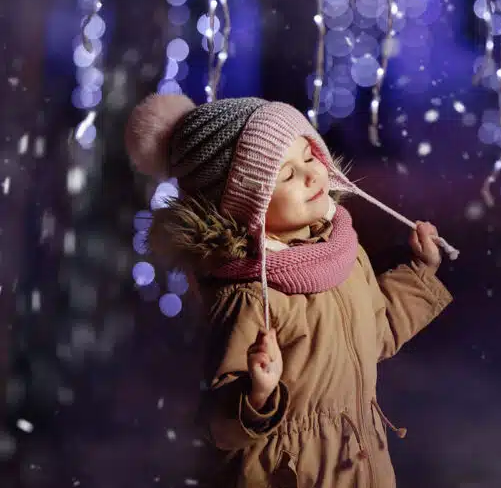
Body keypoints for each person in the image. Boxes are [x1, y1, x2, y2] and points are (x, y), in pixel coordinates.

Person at [124, 94, 454, 488]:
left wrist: (421, 273)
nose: (313, 175)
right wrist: (257, 396)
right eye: (285, 175)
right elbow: (219, 424)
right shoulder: (249, 295)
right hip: (289, 472)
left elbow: (375, 334)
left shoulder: (341, 251)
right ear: (246, 203)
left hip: (359, 463)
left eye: (310, 157)